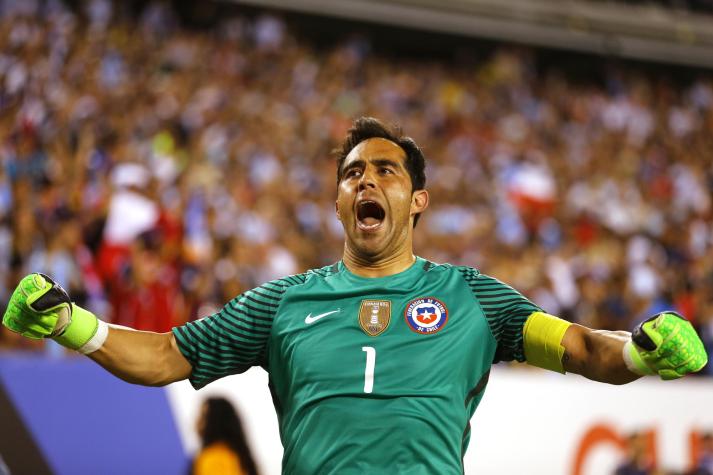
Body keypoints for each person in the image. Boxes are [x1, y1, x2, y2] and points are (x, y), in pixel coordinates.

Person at [2, 117, 708, 474]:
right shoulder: (278, 303)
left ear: (418, 198)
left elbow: (583, 346)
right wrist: (68, 322)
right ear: (339, 200)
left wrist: (642, 352)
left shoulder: (475, 299)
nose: (366, 180)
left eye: (386, 171)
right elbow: (161, 356)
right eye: (352, 173)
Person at [192, 397, 259, 475]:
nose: (197, 421)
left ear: (215, 422)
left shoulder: (214, 458)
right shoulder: (236, 456)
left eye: (203, 415)